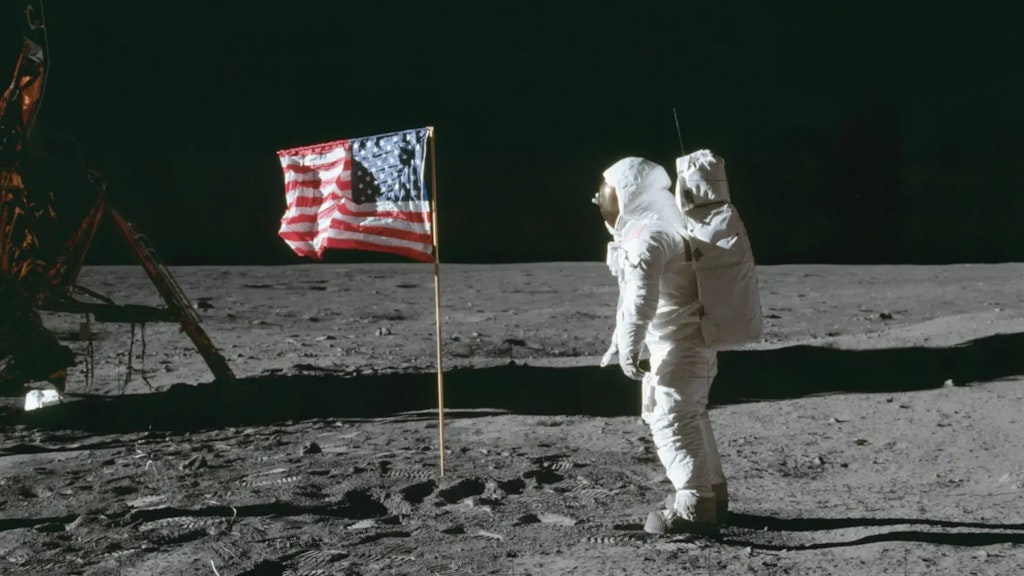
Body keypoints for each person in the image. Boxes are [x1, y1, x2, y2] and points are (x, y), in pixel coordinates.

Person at [594, 156, 727, 536]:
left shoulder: (648, 235)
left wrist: (629, 346)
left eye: (609, 196)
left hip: (678, 347)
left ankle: (694, 507)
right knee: (691, 415)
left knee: (671, 421)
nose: (602, 203)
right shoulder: (670, 226)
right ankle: (713, 494)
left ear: (629, 197)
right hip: (692, 345)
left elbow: (640, 297)